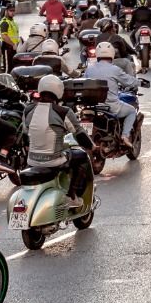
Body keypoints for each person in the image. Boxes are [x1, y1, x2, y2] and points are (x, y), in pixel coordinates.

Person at [25, 74, 95, 209]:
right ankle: (72, 196)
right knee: (81, 156)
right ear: (59, 91)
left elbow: (25, 135)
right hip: (53, 161)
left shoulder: (28, 110)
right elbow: (79, 134)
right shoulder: (63, 112)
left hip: (31, 160)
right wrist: (92, 146)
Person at [82, 43, 140, 146]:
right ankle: (125, 136)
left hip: (92, 106)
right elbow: (129, 81)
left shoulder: (89, 69)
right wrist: (139, 82)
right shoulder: (115, 69)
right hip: (111, 107)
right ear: (112, 54)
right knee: (131, 111)